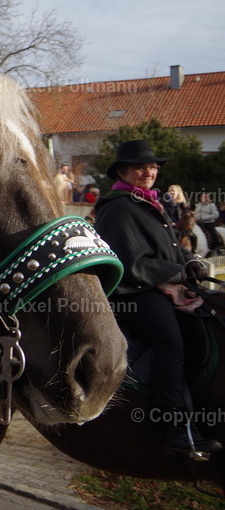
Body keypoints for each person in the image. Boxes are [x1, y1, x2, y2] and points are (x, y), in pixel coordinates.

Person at [94, 140, 221, 457]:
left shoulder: (150, 202)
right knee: (169, 339)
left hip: (160, 284)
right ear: (123, 171)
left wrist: (188, 261)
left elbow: (170, 250)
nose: (149, 171)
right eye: (140, 167)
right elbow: (129, 260)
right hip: (132, 292)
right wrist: (175, 274)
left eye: (152, 167)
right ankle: (176, 426)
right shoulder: (118, 207)